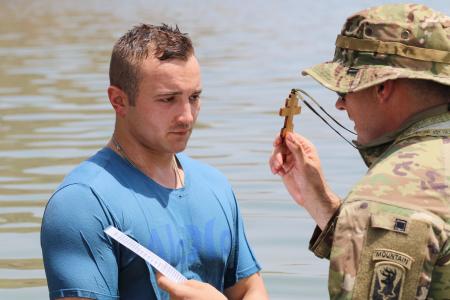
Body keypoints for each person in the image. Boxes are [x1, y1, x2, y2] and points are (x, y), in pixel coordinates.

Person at [40, 24, 268, 300]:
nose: (186, 116)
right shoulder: (82, 203)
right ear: (119, 101)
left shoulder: (216, 186)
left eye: (194, 97)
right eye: (167, 99)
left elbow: (250, 289)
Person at [269, 3, 450, 300]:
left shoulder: (388, 195)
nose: (340, 105)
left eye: (344, 91)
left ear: (382, 87)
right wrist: (322, 205)